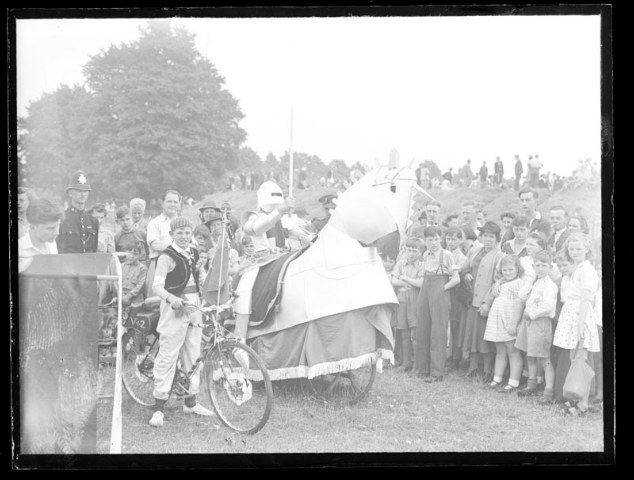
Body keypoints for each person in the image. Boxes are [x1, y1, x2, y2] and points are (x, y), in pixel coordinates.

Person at [148, 216, 215, 427]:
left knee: (193, 353)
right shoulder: (166, 256)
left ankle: (191, 401)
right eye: (180, 233)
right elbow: (157, 286)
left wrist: (209, 286)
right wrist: (171, 298)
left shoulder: (194, 252)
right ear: (172, 234)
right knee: (168, 354)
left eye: (187, 232)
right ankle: (158, 406)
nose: (184, 237)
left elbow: (200, 276)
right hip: (174, 307)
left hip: (194, 305)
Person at [552, 233, 601, 416]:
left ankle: (583, 404)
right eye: (571, 249)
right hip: (570, 315)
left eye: (579, 249)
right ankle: (576, 400)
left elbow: (586, 300)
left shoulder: (587, 270)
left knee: (582, 360)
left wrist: (581, 326)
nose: (575, 252)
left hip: (580, 317)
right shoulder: (576, 269)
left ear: (587, 249)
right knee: (574, 359)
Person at [414, 226, 460, 382]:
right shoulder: (426, 254)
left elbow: (456, 278)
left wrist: (442, 289)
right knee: (423, 327)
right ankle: (423, 368)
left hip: (440, 292)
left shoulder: (446, 255)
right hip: (425, 290)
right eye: (429, 240)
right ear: (425, 241)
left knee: (438, 331)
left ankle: (436, 372)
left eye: (436, 239)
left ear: (440, 239)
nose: (433, 243)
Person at [461, 221, 504, 383]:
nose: (488, 239)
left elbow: (498, 281)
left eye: (491, 237)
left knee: (484, 336)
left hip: (485, 301)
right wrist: (465, 275)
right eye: (485, 236)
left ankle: (487, 369)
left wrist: (487, 302)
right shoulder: (475, 250)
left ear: (497, 239)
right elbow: (465, 266)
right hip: (472, 298)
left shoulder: (499, 256)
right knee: (472, 333)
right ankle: (473, 366)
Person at [514, 250, 559, 401]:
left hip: (541, 323)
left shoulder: (550, 285)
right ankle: (531, 385)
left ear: (550, 266)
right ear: (533, 266)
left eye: (544, 265)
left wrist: (531, 314)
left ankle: (548, 391)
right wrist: (531, 280)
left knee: (543, 358)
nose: (540, 268)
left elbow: (547, 307)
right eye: (537, 265)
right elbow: (522, 295)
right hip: (529, 323)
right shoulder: (535, 282)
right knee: (531, 355)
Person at [482, 255, 525, 393]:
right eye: (504, 270)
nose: (507, 273)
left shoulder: (519, 283)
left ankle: (513, 382)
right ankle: (497, 379)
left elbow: (519, 304)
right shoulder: (502, 282)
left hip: (509, 320)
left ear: (517, 269)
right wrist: (498, 282)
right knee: (500, 351)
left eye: (510, 270)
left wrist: (514, 323)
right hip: (497, 321)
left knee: (512, 351)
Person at [391, 238, 425, 373]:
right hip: (402, 300)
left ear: (420, 251)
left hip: (415, 300)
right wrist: (410, 283)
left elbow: (421, 284)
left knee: (414, 334)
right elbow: (394, 280)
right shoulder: (400, 263)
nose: (411, 253)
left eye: (414, 251)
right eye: (409, 250)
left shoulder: (422, 265)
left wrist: (404, 278)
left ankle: (416, 364)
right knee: (403, 333)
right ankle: (405, 363)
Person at [146, 190, 182, 297]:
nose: (172, 204)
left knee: (177, 301)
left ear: (179, 204)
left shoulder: (183, 222)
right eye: (169, 201)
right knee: (155, 301)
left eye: (175, 202)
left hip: (179, 265)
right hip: (158, 265)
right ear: (162, 203)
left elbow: (192, 244)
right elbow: (155, 244)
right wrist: (177, 247)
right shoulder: (154, 223)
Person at [56, 170, 99, 253]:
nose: (83, 194)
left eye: (85, 191)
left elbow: (94, 251)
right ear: (70, 193)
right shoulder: (62, 218)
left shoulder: (93, 221)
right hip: (68, 264)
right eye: (79, 190)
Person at [444, 228, 469, 371]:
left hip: (455, 293)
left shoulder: (461, 257)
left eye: (454, 239)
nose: (451, 242)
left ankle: (456, 357)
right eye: (448, 239)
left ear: (460, 240)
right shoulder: (443, 253)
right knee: (445, 324)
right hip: (445, 290)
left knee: (455, 326)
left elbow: (456, 271)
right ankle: (447, 355)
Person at [18, 196, 64, 272]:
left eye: (58, 226)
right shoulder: (20, 250)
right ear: (32, 227)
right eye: (50, 228)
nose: (57, 232)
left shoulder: (52, 243)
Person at [118, 241, 148, 307]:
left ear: (140, 255)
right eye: (129, 253)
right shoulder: (120, 266)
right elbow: (116, 283)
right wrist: (122, 295)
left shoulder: (142, 268)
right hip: (121, 296)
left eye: (135, 254)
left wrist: (129, 296)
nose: (131, 256)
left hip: (135, 298)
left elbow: (140, 285)